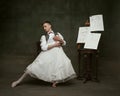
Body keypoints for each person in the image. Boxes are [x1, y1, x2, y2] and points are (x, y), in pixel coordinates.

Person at [11, 21, 76, 88]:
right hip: (48, 54)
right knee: (33, 67)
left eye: (45, 26)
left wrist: (60, 40)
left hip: (59, 54)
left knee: (59, 66)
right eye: (43, 27)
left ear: (50, 26)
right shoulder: (44, 37)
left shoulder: (57, 33)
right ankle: (18, 81)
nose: (44, 28)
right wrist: (54, 44)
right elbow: (43, 47)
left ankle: (55, 81)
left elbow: (64, 43)